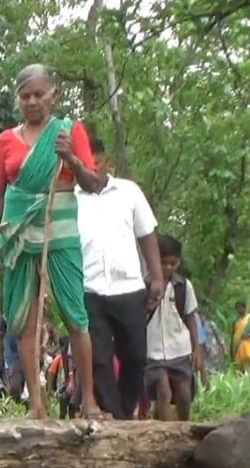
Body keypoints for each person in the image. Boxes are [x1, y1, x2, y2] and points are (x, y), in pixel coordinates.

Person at [0, 64, 108, 420]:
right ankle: (37, 404)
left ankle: (89, 402)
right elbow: (0, 194)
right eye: (26, 96)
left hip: (61, 226)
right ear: (18, 100)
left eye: (39, 94)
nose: (33, 101)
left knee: (75, 315)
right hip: (18, 235)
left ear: (53, 94)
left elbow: (92, 184)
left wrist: (70, 157)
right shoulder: (6, 139)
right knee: (23, 319)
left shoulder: (69, 131)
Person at [74, 138, 165, 420]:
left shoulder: (129, 192)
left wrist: (157, 276)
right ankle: (115, 417)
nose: (91, 170)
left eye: (95, 163)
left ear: (106, 162)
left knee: (135, 355)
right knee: (98, 358)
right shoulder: (70, 198)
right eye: (84, 165)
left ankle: (124, 410)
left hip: (129, 286)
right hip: (88, 288)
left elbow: (146, 234)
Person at [143, 235, 202, 421]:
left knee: (184, 393)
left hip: (179, 347)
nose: (168, 267)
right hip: (152, 349)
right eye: (163, 263)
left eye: (173, 263)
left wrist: (197, 348)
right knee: (163, 391)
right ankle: (168, 433)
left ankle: (184, 426)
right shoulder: (143, 285)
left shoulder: (183, 286)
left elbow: (191, 317)